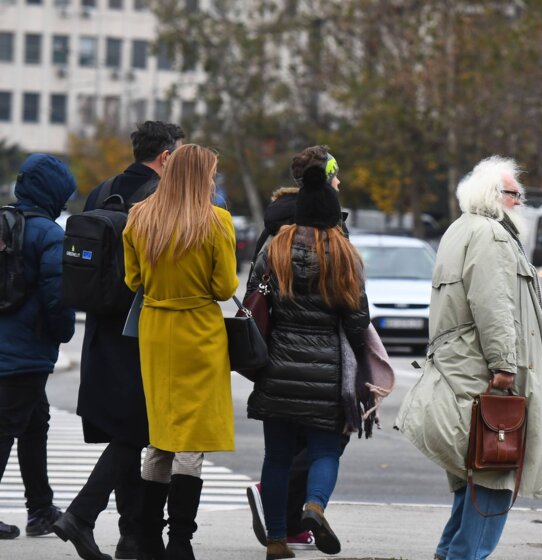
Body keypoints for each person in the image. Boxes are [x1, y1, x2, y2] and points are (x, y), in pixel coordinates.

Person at [395, 156, 542, 560]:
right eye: (516, 195)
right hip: (485, 374)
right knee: (494, 475)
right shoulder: (492, 236)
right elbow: (493, 305)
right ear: (495, 196)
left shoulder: (459, 230)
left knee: (475, 472)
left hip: (460, 369)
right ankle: (463, 556)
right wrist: (504, 365)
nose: (522, 202)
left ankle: (448, 552)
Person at [53, 120, 185, 560]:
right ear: (165, 157)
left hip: (101, 328)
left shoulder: (102, 190)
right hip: (142, 327)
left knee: (127, 427)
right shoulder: (161, 199)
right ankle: (83, 515)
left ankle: (131, 538)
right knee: (140, 427)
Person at [246, 162, 371, 560]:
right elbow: (357, 320)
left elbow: (254, 297)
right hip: (326, 374)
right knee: (324, 451)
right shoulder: (344, 254)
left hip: (277, 367)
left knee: (277, 457)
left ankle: (277, 540)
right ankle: (314, 506)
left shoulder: (275, 247)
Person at [122, 143, 240, 560]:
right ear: (201, 176)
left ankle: (148, 538)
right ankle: (181, 541)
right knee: (191, 441)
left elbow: (133, 279)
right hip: (199, 331)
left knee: (160, 436)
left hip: (156, 329)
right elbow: (225, 287)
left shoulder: (139, 216)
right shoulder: (216, 221)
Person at [0, 154, 77, 541]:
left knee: (34, 424)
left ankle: (41, 508)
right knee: (7, 428)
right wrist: (63, 333)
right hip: (26, 353)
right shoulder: (49, 233)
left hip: (8, 348)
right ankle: (40, 509)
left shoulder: (4, 222)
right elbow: (57, 295)